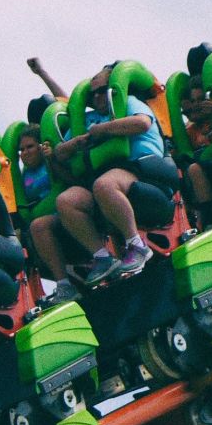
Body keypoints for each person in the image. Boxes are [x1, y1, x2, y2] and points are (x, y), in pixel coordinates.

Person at [46, 64, 170, 289]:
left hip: (140, 168)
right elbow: (60, 152)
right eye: (93, 93)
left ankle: (137, 245)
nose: (97, 96)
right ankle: (103, 257)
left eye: (102, 90)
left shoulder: (129, 103)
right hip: (103, 174)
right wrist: (75, 143)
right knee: (66, 201)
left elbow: (142, 123)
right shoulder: (89, 119)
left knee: (104, 185)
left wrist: (103, 130)